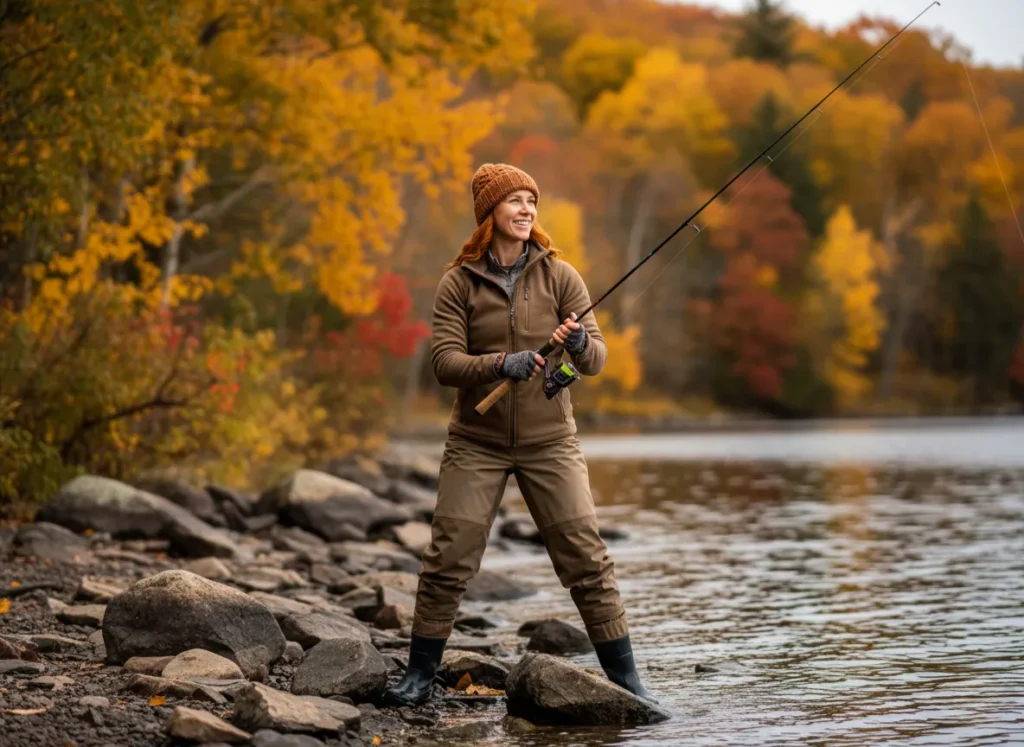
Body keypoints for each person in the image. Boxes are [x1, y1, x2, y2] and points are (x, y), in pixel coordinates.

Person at [382, 163, 655, 707]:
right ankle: (418, 677)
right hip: (475, 443)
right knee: (447, 557)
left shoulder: (561, 277)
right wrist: (500, 364)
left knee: (587, 560)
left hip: (550, 441)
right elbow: (444, 362)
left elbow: (597, 358)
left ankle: (628, 683)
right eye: (515, 201)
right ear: (490, 214)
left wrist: (576, 345)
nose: (527, 209)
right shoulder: (457, 282)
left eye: (532, 199)